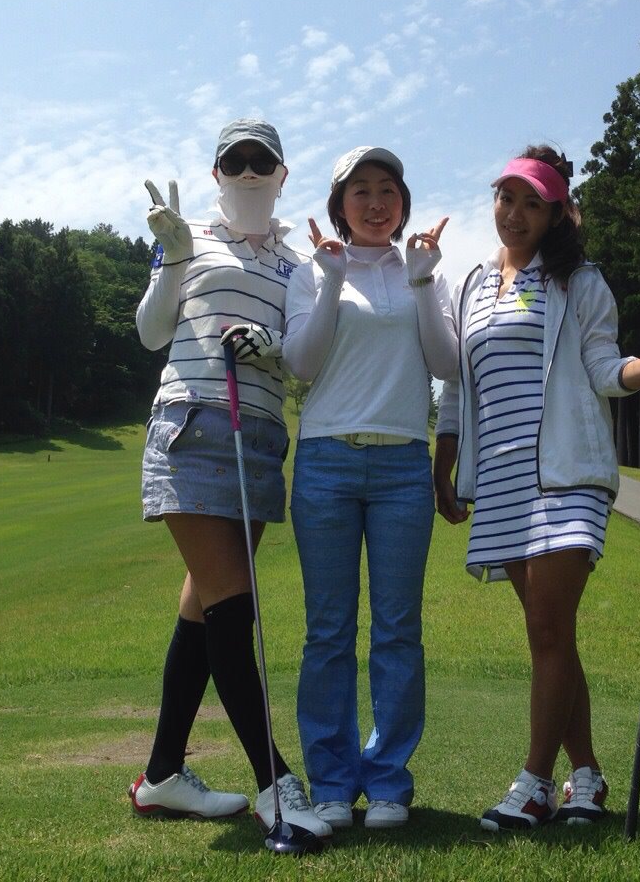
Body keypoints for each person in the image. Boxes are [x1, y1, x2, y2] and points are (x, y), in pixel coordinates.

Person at [433, 145, 640, 831]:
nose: (515, 214)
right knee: (550, 635)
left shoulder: (580, 283)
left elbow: (606, 370)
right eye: (507, 198)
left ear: (557, 214)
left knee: (550, 629)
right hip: (500, 483)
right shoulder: (471, 284)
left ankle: (534, 784)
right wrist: (445, 464)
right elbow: (457, 387)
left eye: (533, 203)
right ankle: (586, 776)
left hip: (566, 474)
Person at [129, 118, 331, 840]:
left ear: (281, 174)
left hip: (260, 437)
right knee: (231, 608)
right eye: (234, 161)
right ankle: (276, 784)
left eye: (260, 161)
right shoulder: (186, 237)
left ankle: (162, 775)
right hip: (191, 426)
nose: (248, 171)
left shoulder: (297, 262)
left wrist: (272, 346)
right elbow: (152, 331)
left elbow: (302, 354)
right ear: (216, 173)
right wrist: (175, 257)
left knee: (204, 607)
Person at [282, 146, 458, 830]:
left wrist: (422, 280)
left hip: (402, 466)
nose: (376, 202)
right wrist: (330, 280)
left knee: (398, 630)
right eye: (361, 191)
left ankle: (387, 781)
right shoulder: (311, 271)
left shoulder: (424, 273)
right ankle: (331, 781)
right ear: (340, 205)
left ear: (403, 203)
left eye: (388, 189)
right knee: (328, 631)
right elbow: (301, 364)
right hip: (326, 460)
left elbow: (446, 363)